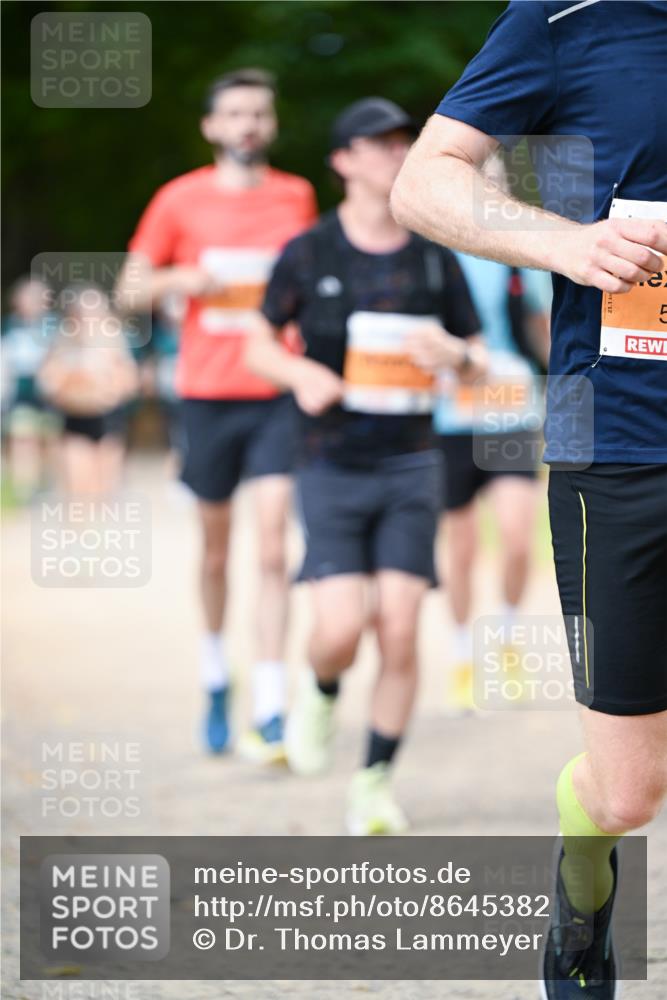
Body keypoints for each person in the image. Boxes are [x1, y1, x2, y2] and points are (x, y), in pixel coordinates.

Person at [390, 1, 667, 995]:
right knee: (628, 792)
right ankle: (580, 896)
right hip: (626, 445)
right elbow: (423, 179)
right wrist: (561, 244)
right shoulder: (566, 19)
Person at [247, 97, 484, 834]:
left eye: (402, 141)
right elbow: (256, 342)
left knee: (400, 628)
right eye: (377, 143)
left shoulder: (433, 255)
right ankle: (320, 690)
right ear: (342, 161)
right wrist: (298, 374)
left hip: (412, 464)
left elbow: (478, 359)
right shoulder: (309, 251)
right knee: (341, 629)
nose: (394, 153)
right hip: (330, 463)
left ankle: (374, 783)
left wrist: (457, 355)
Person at [117, 68, 317, 759]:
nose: (247, 125)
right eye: (234, 114)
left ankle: (270, 701)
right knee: (215, 551)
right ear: (210, 126)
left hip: (276, 393)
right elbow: (128, 289)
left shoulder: (296, 195)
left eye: (258, 113)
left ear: (272, 124)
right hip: (207, 395)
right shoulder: (178, 199)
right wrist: (180, 278)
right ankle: (213, 673)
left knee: (273, 547)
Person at [435, 155, 552, 711]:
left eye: (497, 179)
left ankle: (505, 637)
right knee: (459, 548)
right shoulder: (434, 252)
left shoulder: (521, 255)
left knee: (516, 537)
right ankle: (462, 656)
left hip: (512, 409)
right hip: (449, 417)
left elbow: (544, 332)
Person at [38, 284, 139, 496]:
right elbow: (48, 380)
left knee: (104, 488)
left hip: (108, 418)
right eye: (83, 309)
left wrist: (110, 392)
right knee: (78, 485)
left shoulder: (114, 338)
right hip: (75, 415)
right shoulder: (62, 339)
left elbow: (129, 380)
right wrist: (66, 386)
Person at [2, 277, 60, 501]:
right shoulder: (9, 326)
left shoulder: (55, 326)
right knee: (22, 439)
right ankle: (24, 490)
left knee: (50, 439)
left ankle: (49, 485)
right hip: (20, 392)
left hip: (50, 394)